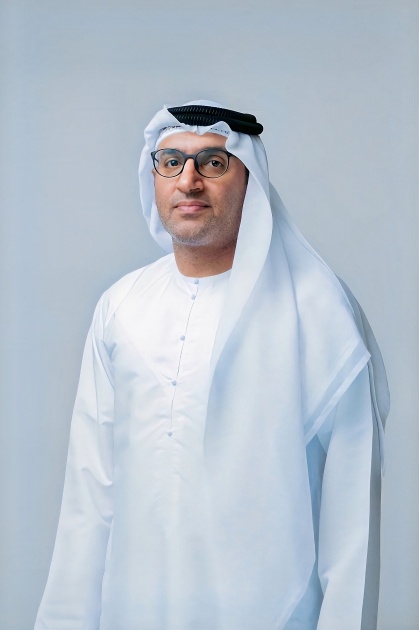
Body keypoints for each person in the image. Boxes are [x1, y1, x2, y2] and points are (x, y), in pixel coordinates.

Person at [34, 100, 390, 630]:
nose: (189, 181)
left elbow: (352, 516)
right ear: (154, 177)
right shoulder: (121, 306)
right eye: (171, 162)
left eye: (213, 163)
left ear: (250, 181)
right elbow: (90, 497)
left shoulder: (317, 310)